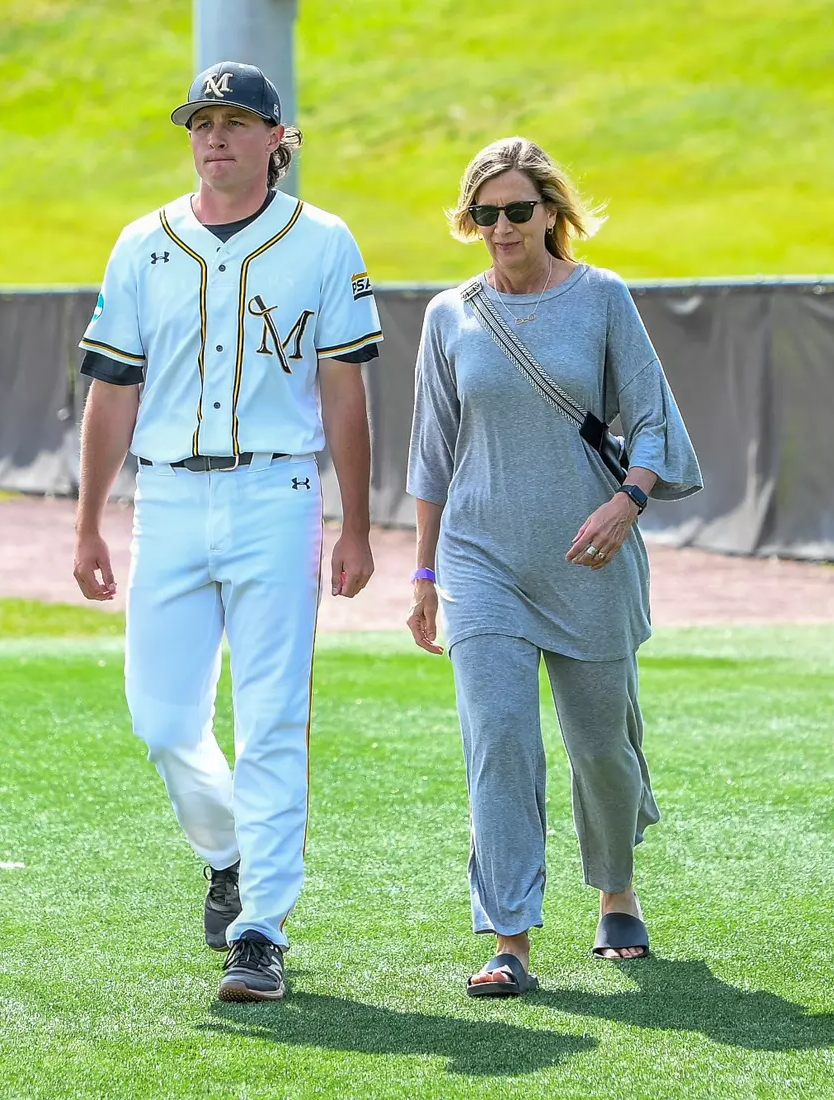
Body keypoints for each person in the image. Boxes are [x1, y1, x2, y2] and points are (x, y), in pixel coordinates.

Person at [72, 61, 382, 1003]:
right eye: (202, 121)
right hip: (164, 500)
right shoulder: (143, 240)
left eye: (236, 122)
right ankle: (227, 850)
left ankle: (261, 930)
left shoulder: (322, 241)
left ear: (275, 139)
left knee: (273, 718)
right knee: (162, 720)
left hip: (276, 495)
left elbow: (344, 389)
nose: (215, 137)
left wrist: (358, 525)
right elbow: (111, 388)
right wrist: (86, 519)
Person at [406, 136, 702, 997]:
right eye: (483, 214)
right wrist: (423, 576)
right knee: (498, 741)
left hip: (589, 553)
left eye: (517, 211)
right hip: (480, 557)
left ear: (551, 214)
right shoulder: (447, 315)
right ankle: (510, 939)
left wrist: (628, 501)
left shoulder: (602, 298)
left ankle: (616, 890)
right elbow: (431, 454)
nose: (500, 227)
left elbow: (650, 421)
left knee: (600, 746)